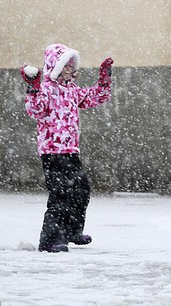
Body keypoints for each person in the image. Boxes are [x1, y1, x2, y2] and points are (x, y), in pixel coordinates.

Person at [21, 44, 113, 253]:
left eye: (72, 65)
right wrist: (34, 88)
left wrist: (104, 80)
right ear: (57, 66)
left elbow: (95, 97)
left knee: (80, 190)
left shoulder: (71, 90)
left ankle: (72, 230)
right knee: (60, 193)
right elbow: (34, 110)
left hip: (71, 150)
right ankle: (50, 240)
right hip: (52, 152)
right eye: (67, 65)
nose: (71, 68)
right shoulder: (46, 89)